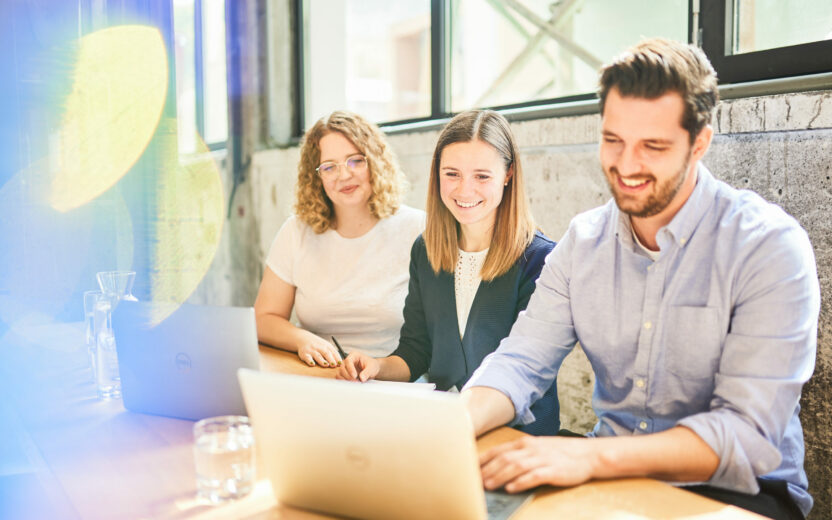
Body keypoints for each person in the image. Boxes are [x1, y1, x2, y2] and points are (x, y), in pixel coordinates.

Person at [462, 39, 819, 520]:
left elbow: (746, 434)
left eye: (652, 146)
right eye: (613, 141)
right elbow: (521, 361)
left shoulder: (768, 246)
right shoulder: (583, 242)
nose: (626, 166)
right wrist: (449, 428)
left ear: (700, 143)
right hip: (608, 477)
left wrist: (588, 458)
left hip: (739, 495)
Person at [337, 110, 560, 436]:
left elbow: (528, 374)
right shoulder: (426, 250)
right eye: (452, 174)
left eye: (482, 176)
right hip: (442, 428)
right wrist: (378, 366)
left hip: (515, 437)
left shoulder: (540, 259)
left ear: (508, 174)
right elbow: (416, 352)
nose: (464, 190)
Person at [254, 111, 424, 367]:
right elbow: (263, 317)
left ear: (375, 162)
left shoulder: (416, 227)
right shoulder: (296, 232)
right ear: (317, 177)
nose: (344, 176)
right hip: (318, 377)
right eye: (329, 167)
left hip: (392, 379)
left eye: (355, 161)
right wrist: (302, 339)